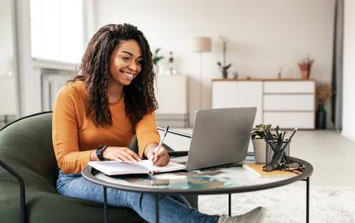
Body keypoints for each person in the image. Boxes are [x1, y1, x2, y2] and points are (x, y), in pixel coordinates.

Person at [52, 23, 265, 223]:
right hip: (77, 178)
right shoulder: (71, 95)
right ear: (103, 56)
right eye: (126, 58)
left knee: (162, 188)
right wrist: (103, 153)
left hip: (122, 171)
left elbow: (147, 136)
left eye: (139, 61)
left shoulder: (138, 97)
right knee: (136, 192)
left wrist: (155, 150)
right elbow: (65, 160)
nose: (133, 67)